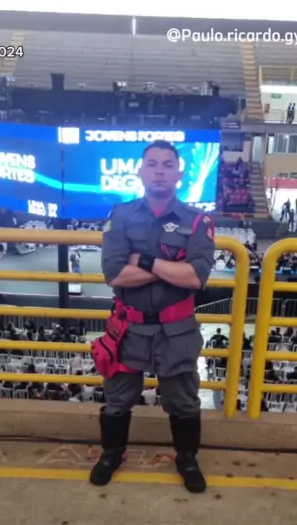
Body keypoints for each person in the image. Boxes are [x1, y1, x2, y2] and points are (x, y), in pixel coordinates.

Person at [90, 140, 215, 493]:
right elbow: (115, 274)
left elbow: (195, 277)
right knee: (117, 399)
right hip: (127, 328)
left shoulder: (198, 220)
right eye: (152, 164)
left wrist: (143, 260)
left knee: (183, 401)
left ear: (179, 173)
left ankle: (187, 459)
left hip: (177, 331)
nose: (159, 171)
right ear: (141, 171)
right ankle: (112, 454)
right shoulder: (121, 215)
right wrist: (171, 267)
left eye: (167, 164)